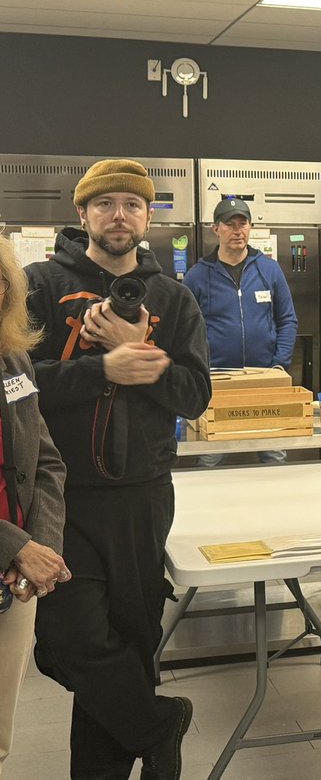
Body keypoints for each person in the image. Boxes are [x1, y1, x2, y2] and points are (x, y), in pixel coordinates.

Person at [25, 158, 212, 780]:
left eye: (133, 204)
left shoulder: (172, 298)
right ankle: (159, 725)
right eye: (104, 204)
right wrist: (100, 367)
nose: (119, 215)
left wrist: (145, 360)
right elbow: (15, 385)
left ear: (148, 216)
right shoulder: (39, 286)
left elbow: (195, 396)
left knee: (131, 645)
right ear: (82, 215)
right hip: (61, 499)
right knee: (69, 641)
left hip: (143, 497)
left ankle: (127, 758)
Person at [0, 236, 70, 775]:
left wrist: (40, 545)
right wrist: (18, 545)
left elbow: (45, 460)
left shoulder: (13, 359)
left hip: (14, 582)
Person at [183, 197, 298, 466]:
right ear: (216, 229)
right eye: (229, 224)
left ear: (250, 227)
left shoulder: (269, 269)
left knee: (274, 455)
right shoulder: (198, 276)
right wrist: (200, 367)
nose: (237, 230)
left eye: (242, 224)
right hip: (216, 382)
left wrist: (278, 366)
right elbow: (184, 330)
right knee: (210, 457)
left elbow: (287, 320)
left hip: (265, 379)